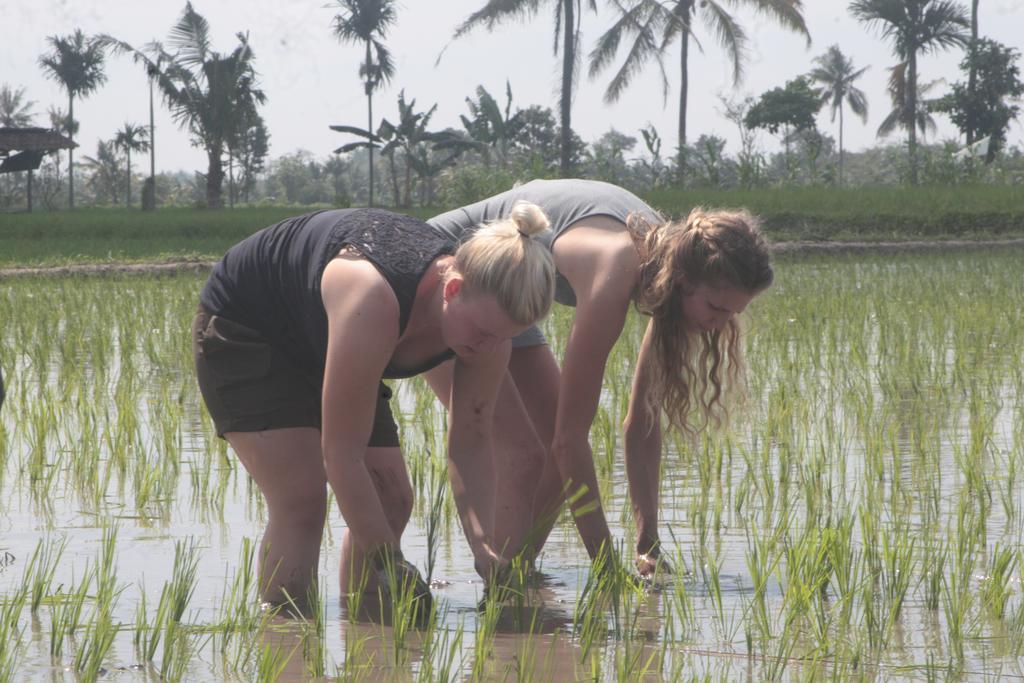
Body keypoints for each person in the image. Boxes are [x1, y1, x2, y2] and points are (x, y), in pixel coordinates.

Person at [193, 205, 555, 612]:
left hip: (325, 333)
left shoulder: (488, 333)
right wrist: (390, 563)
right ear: (452, 290)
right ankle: (286, 638)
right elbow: (341, 454)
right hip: (252, 325)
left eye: (505, 338)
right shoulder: (373, 297)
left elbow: (470, 443)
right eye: (485, 333)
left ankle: (366, 625)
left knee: (391, 497)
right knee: (301, 500)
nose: (490, 349)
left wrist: (483, 547)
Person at [427, 179, 773, 577]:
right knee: (524, 452)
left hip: (512, 293)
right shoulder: (619, 266)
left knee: (552, 459)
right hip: (456, 278)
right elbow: (568, 440)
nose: (718, 325)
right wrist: (607, 570)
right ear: (684, 282)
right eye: (715, 307)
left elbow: (642, 421)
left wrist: (648, 544)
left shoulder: (667, 262)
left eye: (732, 313)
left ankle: (513, 578)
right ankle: (502, 580)